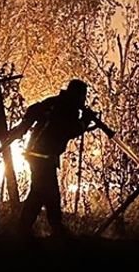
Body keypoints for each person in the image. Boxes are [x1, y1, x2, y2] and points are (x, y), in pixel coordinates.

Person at [6, 79, 106, 237]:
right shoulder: (68, 109)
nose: (83, 100)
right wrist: (85, 120)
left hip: (37, 154)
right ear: (78, 95)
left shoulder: (54, 102)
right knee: (49, 192)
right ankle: (52, 228)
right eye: (83, 96)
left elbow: (34, 109)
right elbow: (71, 130)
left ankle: (31, 228)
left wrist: (25, 125)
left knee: (40, 192)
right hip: (43, 156)